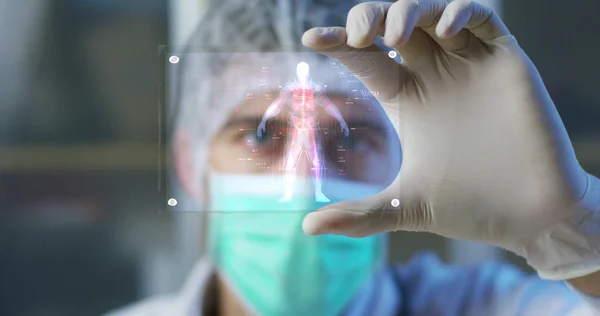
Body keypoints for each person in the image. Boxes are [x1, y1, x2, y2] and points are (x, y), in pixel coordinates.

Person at [107, 0, 600, 315]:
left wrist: (573, 235)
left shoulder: (494, 308)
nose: (305, 180)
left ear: (403, 158)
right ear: (191, 166)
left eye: (350, 138)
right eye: (261, 134)